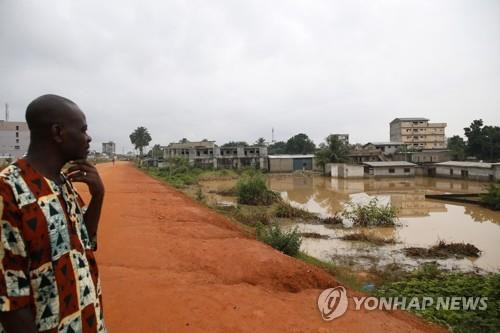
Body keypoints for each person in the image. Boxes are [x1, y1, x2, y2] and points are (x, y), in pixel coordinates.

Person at [0, 95, 106, 332]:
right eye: (83, 130)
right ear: (58, 132)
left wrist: (98, 197)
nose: (88, 138)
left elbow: (83, 242)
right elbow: (9, 302)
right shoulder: (8, 192)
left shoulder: (62, 181)